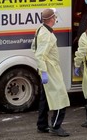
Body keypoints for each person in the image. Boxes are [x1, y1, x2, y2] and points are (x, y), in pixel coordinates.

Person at [31, 8, 70, 137]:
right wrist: (44, 72)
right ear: (52, 19)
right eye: (55, 17)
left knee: (45, 98)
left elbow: (33, 47)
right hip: (50, 69)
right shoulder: (46, 35)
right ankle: (56, 126)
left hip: (46, 68)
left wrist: (42, 70)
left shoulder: (40, 29)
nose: (56, 19)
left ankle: (42, 125)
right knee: (61, 97)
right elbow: (40, 55)